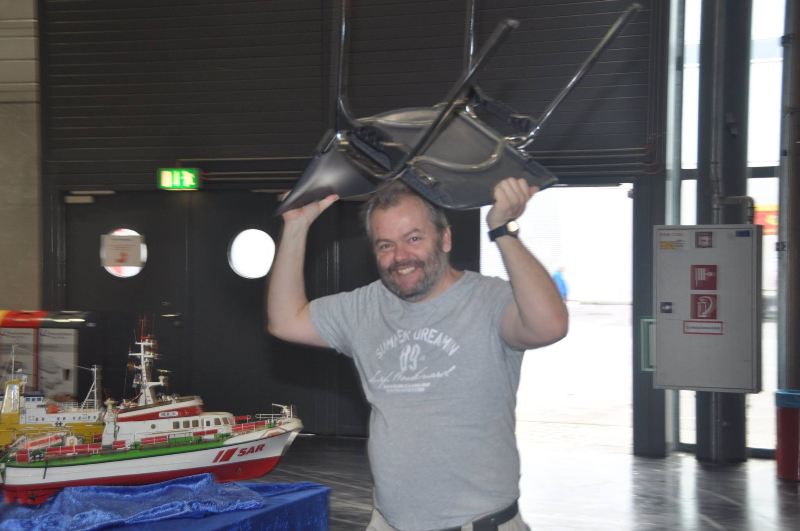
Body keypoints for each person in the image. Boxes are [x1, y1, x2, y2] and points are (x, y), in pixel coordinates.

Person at [266, 177, 568, 531]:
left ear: (445, 238)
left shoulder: (488, 299)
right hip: (389, 523)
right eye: (385, 245)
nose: (400, 257)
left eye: (413, 238)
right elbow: (285, 320)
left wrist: (503, 230)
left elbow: (550, 325)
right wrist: (296, 225)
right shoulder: (365, 307)